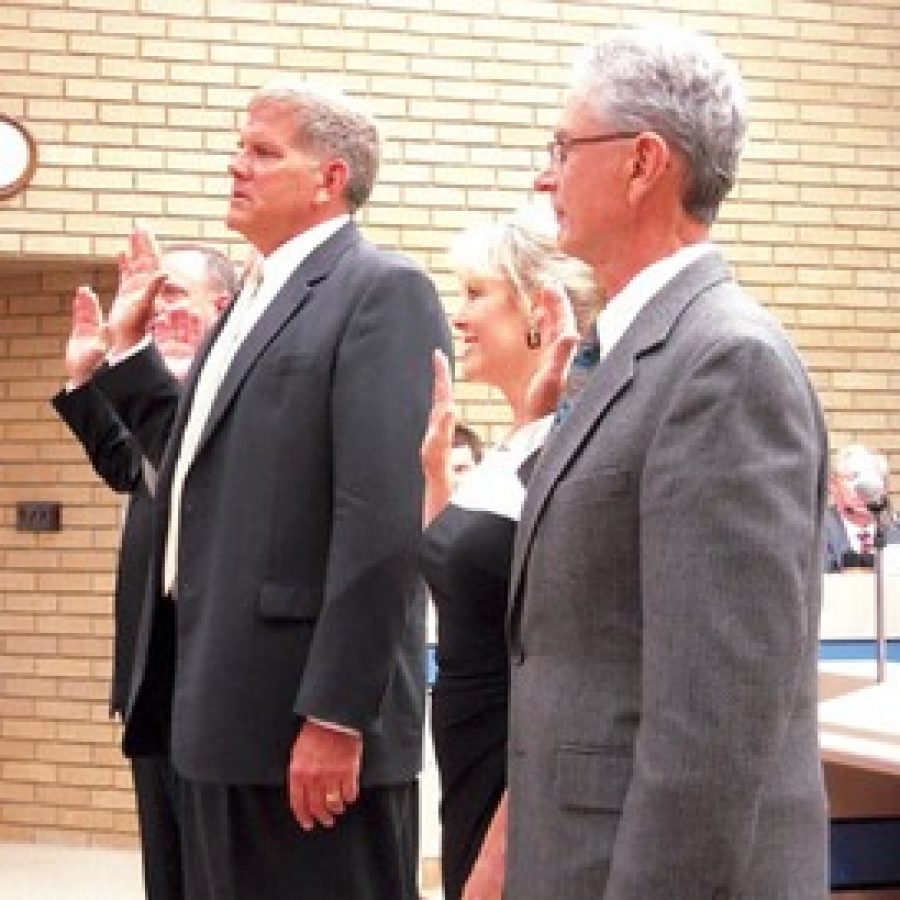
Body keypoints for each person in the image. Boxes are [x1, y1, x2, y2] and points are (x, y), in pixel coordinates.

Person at [90, 81, 451, 900]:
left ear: (329, 177)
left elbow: (381, 519)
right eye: (239, 146)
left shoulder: (381, 291)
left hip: (302, 727)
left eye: (262, 151)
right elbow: (201, 470)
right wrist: (123, 355)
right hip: (212, 706)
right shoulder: (247, 302)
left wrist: (336, 714)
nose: (235, 164)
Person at [506, 27, 830, 899]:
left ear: (644, 162)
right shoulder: (630, 352)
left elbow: (713, 724)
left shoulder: (726, 364)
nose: (545, 174)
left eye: (563, 147)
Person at [419, 208, 596, 900]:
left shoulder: (567, 448)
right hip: (467, 749)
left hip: (512, 763)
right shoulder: (513, 443)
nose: (457, 317)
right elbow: (468, 578)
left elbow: (563, 670)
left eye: (475, 293)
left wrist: (501, 849)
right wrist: (435, 475)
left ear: (539, 310)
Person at [51, 237, 235, 900]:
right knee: (166, 869)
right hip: (153, 673)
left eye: (172, 293)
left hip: (222, 680)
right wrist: (84, 381)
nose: (155, 308)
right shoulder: (154, 395)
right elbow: (129, 468)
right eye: (149, 294)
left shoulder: (234, 398)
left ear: (225, 304)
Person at [824, 443, 899, 571]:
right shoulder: (815, 530)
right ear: (833, 484)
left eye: (872, 479)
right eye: (853, 478)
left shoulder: (896, 529)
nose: (863, 489)